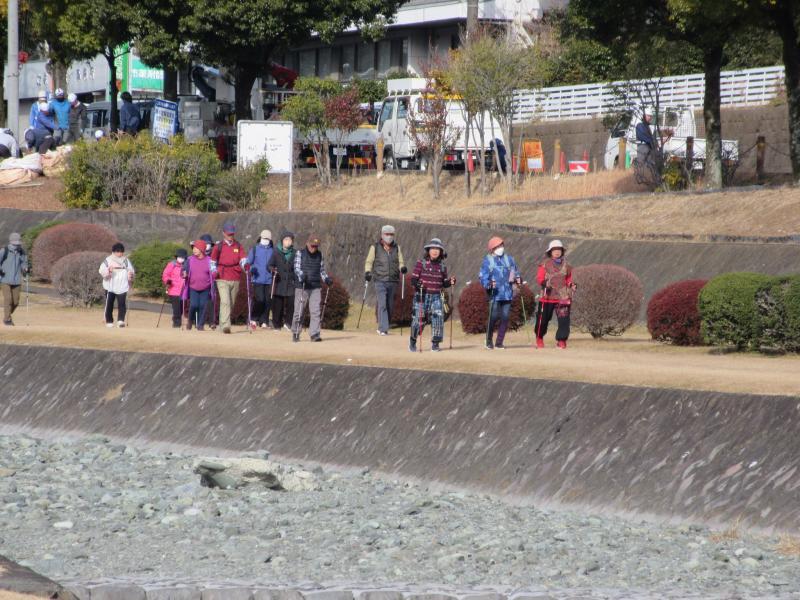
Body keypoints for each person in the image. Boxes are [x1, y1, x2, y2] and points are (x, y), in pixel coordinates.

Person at [409, 238, 456, 353]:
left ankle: (435, 344)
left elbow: (443, 283)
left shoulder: (443, 266)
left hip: (436, 296)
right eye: (432, 248)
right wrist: (418, 284)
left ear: (441, 251)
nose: (435, 251)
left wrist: (450, 282)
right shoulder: (421, 263)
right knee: (418, 321)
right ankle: (413, 341)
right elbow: (413, 279)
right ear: (428, 250)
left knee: (438, 319)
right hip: (422, 296)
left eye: (437, 249)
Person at [479, 236, 521, 350]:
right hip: (494, 294)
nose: (500, 248)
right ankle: (488, 340)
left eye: (501, 245)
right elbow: (483, 276)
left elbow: (515, 272)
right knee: (493, 317)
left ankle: (499, 342)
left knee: (505, 317)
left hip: (507, 294)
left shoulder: (509, 259)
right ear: (492, 248)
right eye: (497, 246)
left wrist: (518, 279)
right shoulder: (488, 260)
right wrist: (488, 284)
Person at [364, 224, 407, 336]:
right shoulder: (375, 247)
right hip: (380, 280)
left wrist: (402, 268)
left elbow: (400, 261)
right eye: (387, 234)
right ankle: (383, 328)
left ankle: (383, 326)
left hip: (393, 280)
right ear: (382, 235)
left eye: (391, 234)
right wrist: (368, 272)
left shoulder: (397, 248)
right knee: (382, 303)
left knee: (389, 305)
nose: (389, 236)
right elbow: (369, 261)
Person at [534, 240, 576, 349]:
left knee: (564, 320)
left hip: (563, 297)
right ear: (550, 252)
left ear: (562, 251)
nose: (557, 252)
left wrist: (572, 285)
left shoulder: (567, 265)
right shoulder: (544, 264)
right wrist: (544, 283)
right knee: (542, 320)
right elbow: (539, 278)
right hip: (547, 296)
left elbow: (568, 279)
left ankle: (561, 341)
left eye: (559, 250)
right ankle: (539, 338)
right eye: (554, 250)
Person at [291, 234, 333, 342]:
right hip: (302, 286)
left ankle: (315, 334)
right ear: (307, 243)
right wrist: (302, 276)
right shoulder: (300, 253)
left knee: (315, 311)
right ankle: (296, 332)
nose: (314, 248)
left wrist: (326, 279)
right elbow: (296, 268)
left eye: (316, 246)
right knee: (298, 311)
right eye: (312, 245)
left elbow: (322, 271)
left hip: (315, 286)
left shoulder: (320, 255)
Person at [210, 222, 245, 334]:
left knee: (231, 302)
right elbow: (212, 262)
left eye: (232, 234)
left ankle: (222, 323)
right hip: (222, 277)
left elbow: (243, 259)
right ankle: (226, 326)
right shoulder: (218, 247)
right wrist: (214, 271)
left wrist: (246, 265)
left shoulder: (238, 246)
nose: (230, 236)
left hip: (235, 277)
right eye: (228, 234)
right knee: (225, 301)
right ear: (223, 233)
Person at [99, 242, 135, 328]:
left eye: (121, 252)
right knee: (109, 303)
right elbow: (101, 270)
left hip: (122, 285)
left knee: (122, 304)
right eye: (118, 251)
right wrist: (108, 271)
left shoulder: (125, 260)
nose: (120, 253)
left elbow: (131, 270)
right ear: (114, 252)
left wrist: (130, 275)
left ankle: (121, 320)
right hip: (110, 285)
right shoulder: (108, 260)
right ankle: (109, 321)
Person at [183, 239, 215, 331]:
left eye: (196, 248)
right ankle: (190, 320)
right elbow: (184, 269)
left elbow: (214, 270)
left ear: (201, 249)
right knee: (193, 305)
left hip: (205, 287)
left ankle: (200, 325)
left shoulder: (209, 260)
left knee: (202, 306)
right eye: (193, 248)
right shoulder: (190, 259)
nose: (194, 250)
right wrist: (184, 273)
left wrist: (215, 273)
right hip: (193, 287)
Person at [267, 230, 296, 332]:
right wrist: (272, 269)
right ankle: (276, 324)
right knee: (277, 305)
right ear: (282, 241)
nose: (288, 242)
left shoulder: (295, 253)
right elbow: (269, 265)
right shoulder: (276, 252)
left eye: (290, 240)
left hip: (291, 282)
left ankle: (288, 323)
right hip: (278, 282)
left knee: (291, 303)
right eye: (286, 239)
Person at [246, 229, 275, 329]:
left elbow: (275, 263)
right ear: (260, 238)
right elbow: (248, 261)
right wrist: (250, 268)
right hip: (257, 279)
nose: (265, 240)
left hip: (269, 279)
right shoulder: (255, 249)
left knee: (268, 301)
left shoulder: (273, 250)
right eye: (264, 238)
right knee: (260, 299)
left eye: (267, 238)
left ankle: (264, 321)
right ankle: (253, 318)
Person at [0, 233, 29, 326]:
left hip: (17, 280)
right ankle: (7, 320)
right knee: (8, 299)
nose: (17, 245)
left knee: (16, 302)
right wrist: (1, 270)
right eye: (15, 244)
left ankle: (7, 314)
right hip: (5, 279)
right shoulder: (4, 251)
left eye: (18, 244)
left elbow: (24, 263)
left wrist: (25, 268)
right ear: (11, 242)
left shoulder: (21, 252)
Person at [161, 248, 187, 328]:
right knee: (176, 308)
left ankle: (176, 319)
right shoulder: (171, 264)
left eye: (183, 257)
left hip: (183, 290)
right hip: (173, 290)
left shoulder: (186, 266)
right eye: (179, 257)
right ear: (176, 257)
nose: (181, 258)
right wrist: (168, 281)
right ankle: (176, 323)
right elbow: (165, 275)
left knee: (181, 308)